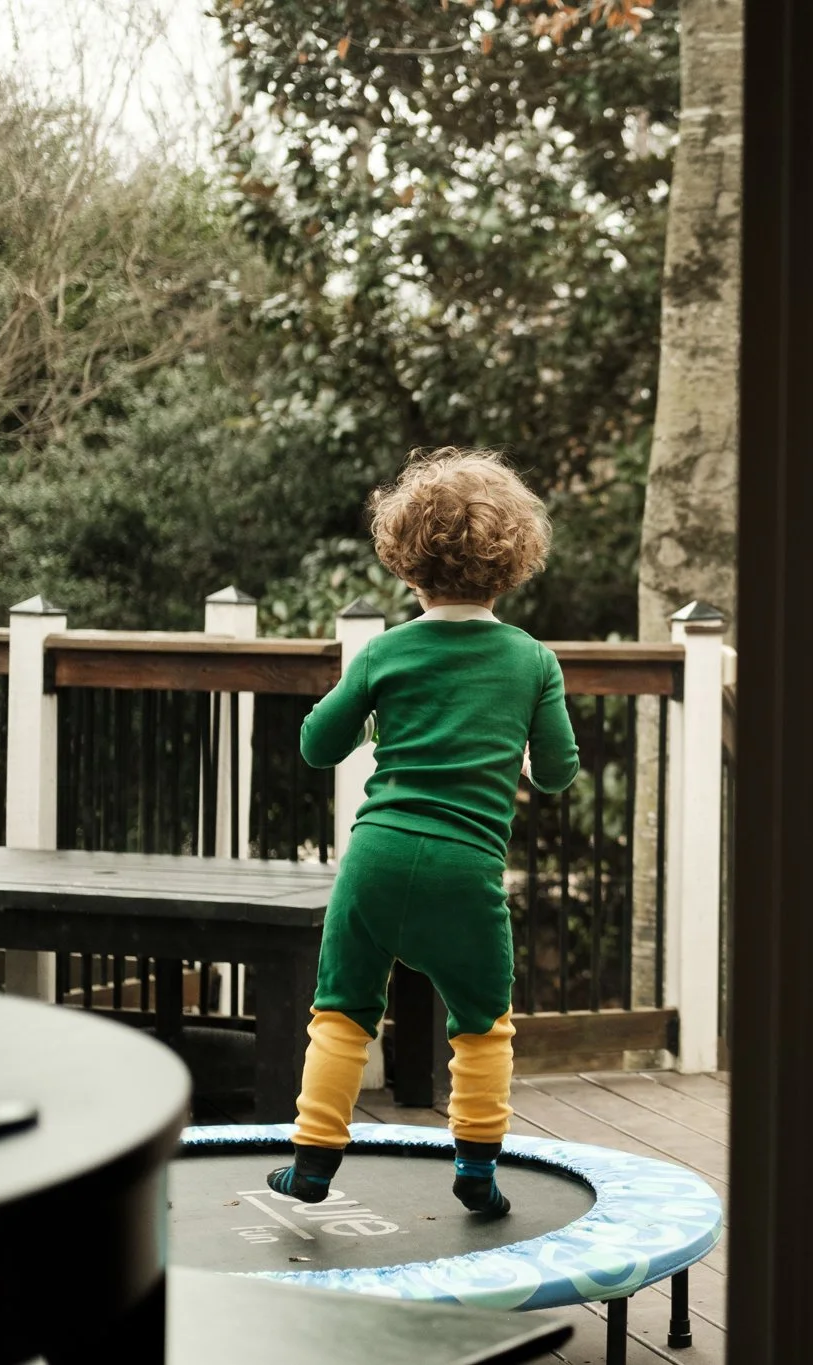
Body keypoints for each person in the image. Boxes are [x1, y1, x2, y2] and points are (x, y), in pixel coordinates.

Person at [265, 449, 580, 1213]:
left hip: (376, 857)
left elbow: (315, 745)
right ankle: (475, 1170)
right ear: (513, 560)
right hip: (466, 870)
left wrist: (373, 704)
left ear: (408, 562)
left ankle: (311, 1162)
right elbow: (559, 771)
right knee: (482, 1025)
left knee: (341, 1011)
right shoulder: (532, 661)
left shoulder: (385, 652)